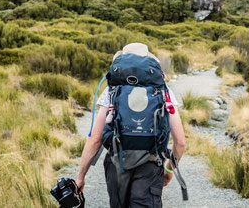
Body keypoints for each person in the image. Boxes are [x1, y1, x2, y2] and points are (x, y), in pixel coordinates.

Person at [74, 42, 187, 208]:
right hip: (151, 163)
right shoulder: (163, 91)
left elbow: (95, 139)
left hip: (116, 163)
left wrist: (80, 176)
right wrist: (169, 169)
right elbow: (181, 142)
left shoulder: (111, 91)